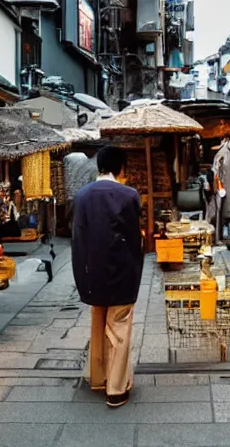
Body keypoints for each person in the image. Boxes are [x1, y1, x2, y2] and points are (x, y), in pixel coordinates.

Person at [71, 146, 143, 408]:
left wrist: (81, 276)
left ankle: (98, 377)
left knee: (98, 324)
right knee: (119, 329)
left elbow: (77, 239)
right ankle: (115, 389)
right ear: (120, 167)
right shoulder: (129, 195)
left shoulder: (81, 196)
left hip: (92, 272)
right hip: (121, 271)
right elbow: (135, 241)